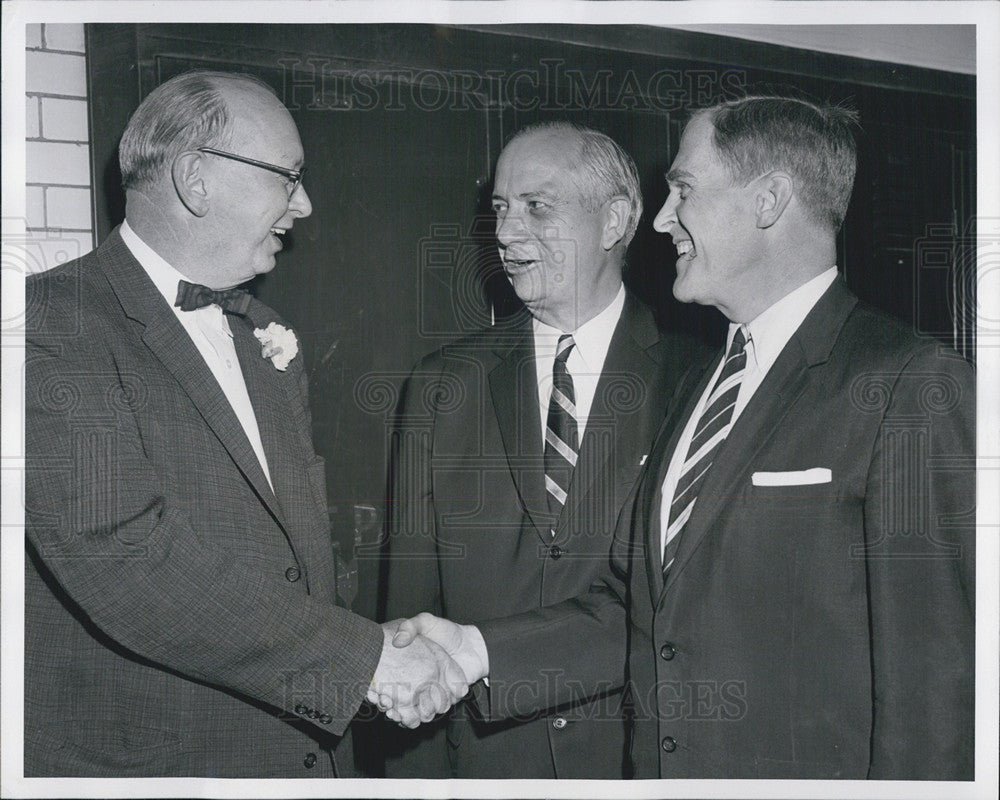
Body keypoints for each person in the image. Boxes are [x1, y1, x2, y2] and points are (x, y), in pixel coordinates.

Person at [395, 96, 975, 779]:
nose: (663, 218)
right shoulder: (708, 388)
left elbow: (938, 691)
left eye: (685, 190)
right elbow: (645, 607)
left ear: (769, 200)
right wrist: (472, 651)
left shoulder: (909, 382)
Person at [24, 69, 466, 778]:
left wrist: (367, 642)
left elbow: (296, 558)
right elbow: (126, 557)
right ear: (196, 178)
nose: (307, 204)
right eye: (288, 178)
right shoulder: (48, 325)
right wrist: (364, 662)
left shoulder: (268, 338)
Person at [380, 121, 700, 778]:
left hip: (636, 764)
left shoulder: (697, 381)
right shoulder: (442, 385)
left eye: (536, 207)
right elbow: (410, 616)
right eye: (499, 208)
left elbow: (690, 616)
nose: (504, 234)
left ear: (615, 220)